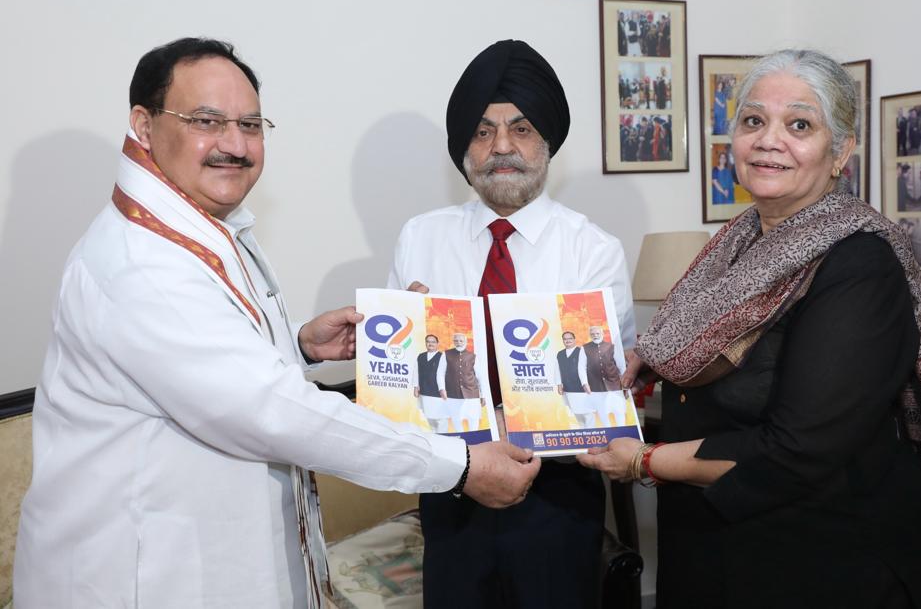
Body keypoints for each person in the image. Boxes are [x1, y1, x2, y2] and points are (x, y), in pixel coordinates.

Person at [14, 37, 541, 609]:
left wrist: (296, 345)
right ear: (144, 125)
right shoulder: (140, 263)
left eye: (250, 124)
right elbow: (273, 411)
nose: (235, 145)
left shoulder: (203, 228)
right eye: (206, 121)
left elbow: (216, 369)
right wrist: (459, 466)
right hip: (146, 580)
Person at [579, 49, 921, 608]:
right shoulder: (736, 244)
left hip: (830, 560)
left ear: (841, 153)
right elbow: (699, 349)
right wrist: (651, 357)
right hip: (719, 543)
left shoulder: (861, 264)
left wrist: (642, 461)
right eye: (753, 120)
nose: (769, 140)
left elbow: (797, 450)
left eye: (800, 124)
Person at [387, 38, 635, 609]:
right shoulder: (420, 238)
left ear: (547, 142)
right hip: (450, 482)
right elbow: (403, 386)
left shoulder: (593, 250)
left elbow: (596, 390)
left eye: (521, 129)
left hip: (557, 490)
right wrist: (404, 341)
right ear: (464, 149)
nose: (502, 147)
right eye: (483, 131)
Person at [582, 325, 628, 427]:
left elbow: (621, 365)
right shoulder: (584, 348)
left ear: (602, 334)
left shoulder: (611, 347)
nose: (595, 336)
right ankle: (608, 431)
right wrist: (585, 383)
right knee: (602, 411)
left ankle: (622, 430)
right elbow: (581, 367)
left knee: (619, 409)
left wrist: (625, 383)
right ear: (590, 335)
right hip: (596, 386)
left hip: (614, 384)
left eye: (597, 333)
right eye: (593, 334)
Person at [554, 331, 598, 428]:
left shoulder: (581, 351)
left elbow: (589, 368)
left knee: (587, 412)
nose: (568, 341)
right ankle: (583, 432)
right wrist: (558, 384)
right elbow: (557, 370)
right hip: (568, 388)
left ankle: (592, 433)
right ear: (563, 341)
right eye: (565, 339)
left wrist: (588, 384)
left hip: (581, 387)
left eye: (570, 338)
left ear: (574, 340)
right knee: (576, 412)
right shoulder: (560, 354)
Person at [443, 332, 485, 431]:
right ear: (453, 342)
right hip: (453, 393)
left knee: (473, 417)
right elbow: (440, 374)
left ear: (465, 342)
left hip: (472, 392)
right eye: (456, 341)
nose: (459, 343)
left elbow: (480, 377)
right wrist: (442, 389)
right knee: (456, 418)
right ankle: (460, 438)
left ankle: (474, 438)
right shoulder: (446, 354)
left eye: (461, 340)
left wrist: (483, 395)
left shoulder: (473, 356)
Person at [413, 334, 453, 432]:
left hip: (438, 392)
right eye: (428, 341)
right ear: (426, 343)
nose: (430, 344)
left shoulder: (442, 357)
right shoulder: (421, 356)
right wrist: (415, 386)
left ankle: (443, 438)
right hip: (424, 390)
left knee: (440, 417)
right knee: (429, 416)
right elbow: (416, 371)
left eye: (433, 342)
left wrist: (444, 389)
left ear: (437, 343)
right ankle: (435, 436)